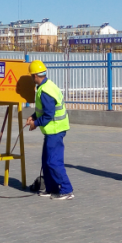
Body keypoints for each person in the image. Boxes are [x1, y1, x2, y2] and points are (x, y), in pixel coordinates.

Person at [26, 60, 74, 200]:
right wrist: (33, 116)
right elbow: (44, 110)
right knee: (46, 161)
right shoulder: (46, 86)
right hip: (52, 130)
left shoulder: (45, 91)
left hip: (55, 130)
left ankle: (66, 190)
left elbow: (48, 114)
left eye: (31, 76)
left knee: (53, 162)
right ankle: (51, 188)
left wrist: (35, 123)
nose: (31, 78)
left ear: (35, 75)